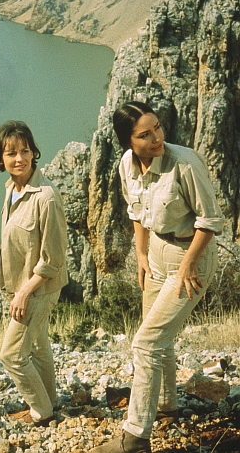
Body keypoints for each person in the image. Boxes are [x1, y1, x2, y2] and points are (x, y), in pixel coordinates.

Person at [90, 102, 224, 453]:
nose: (157, 138)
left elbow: (210, 220)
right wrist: (140, 253)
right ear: (128, 141)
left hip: (190, 254)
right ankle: (166, 405)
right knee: (155, 334)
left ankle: (135, 437)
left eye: (158, 128)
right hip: (156, 254)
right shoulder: (126, 165)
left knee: (145, 342)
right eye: (144, 134)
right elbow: (136, 210)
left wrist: (188, 264)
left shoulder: (185, 162)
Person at [0, 121, 68, 427]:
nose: (20, 158)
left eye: (25, 150)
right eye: (11, 153)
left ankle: (41, 410)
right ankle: (50, 400)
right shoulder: (12, 189)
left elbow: (53, 259)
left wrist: (23, 293)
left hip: (38, 289)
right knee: (38, 345)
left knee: (12, 355)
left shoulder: (45, 197)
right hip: (24, 287)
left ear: (34, 152)